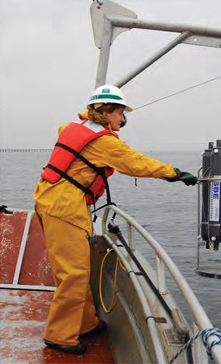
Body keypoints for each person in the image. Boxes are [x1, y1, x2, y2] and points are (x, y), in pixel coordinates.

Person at [34, 84, 197, 355]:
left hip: (53, 198)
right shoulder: (103, 142)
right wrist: (174, 173)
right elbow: (136, 163)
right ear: (106, 111)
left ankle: (85, 323)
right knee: (73, 273)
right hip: (64, 207)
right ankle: (59, 335)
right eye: (121, 113)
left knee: (78, 268)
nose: (123, 120)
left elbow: (66, 132)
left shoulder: (73, 127)